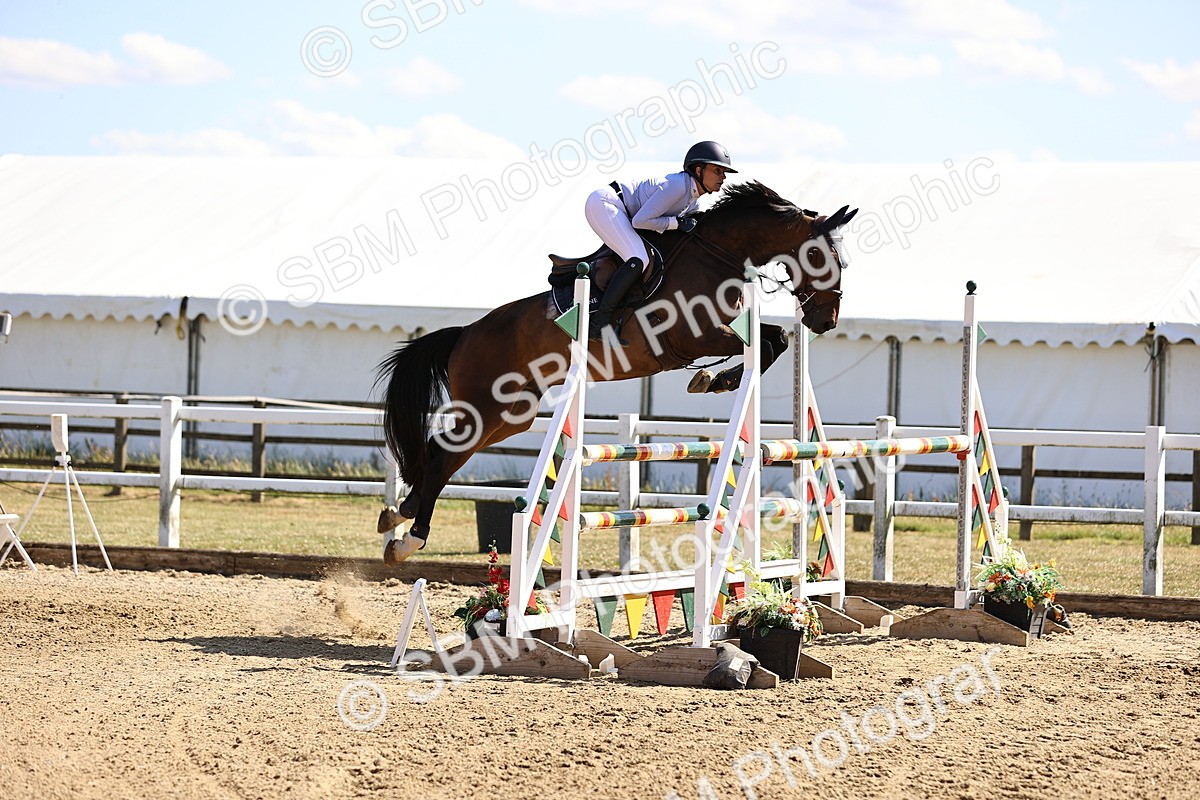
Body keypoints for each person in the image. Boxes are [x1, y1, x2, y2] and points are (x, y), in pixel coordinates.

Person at [583, 140, 736, 342]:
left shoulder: (692, 200)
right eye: (718, 170)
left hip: (623, 211)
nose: (723, 177)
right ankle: (598, 324)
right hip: (606, 204)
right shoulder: (678, 186)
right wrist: (676, 224)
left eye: (724, 172)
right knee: (639, 258)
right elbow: (640, 222)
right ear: (698, 170)